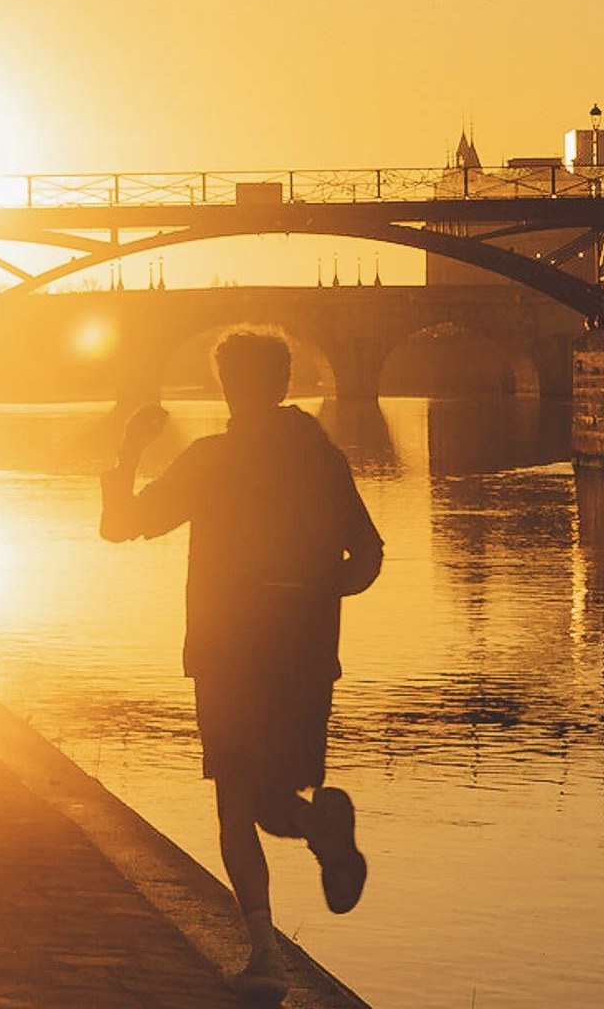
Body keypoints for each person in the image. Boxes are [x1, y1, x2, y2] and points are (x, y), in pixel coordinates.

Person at [100, 328, 382, 1000]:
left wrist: (129, 451)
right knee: (270, 800)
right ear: (282, 384)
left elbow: (121, 525)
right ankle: (318, 830)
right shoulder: (323, 461)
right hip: (306, 658)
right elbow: (366, 558)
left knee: (238, 802)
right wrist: (314, 591)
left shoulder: (211, 460)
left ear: (229, 386)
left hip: (227, 653)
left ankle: (267, 957)